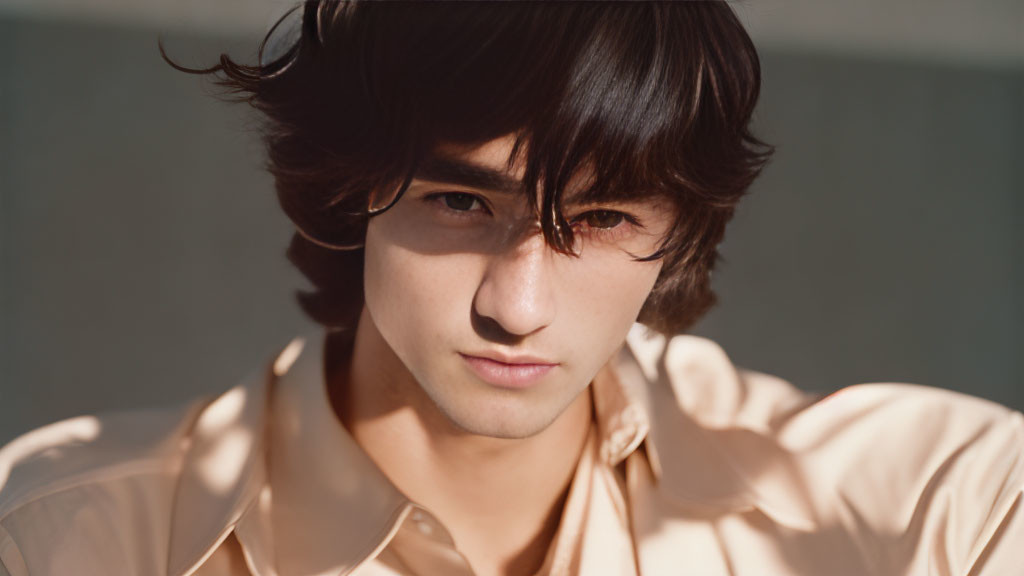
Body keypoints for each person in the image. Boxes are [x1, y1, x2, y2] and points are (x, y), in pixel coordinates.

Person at [1, 1, 1021, 575]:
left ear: (676, 237)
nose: (517, 305)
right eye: (458, 202)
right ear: (350, 193)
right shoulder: (65, 539)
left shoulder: (942, 502)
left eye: (604, 220)